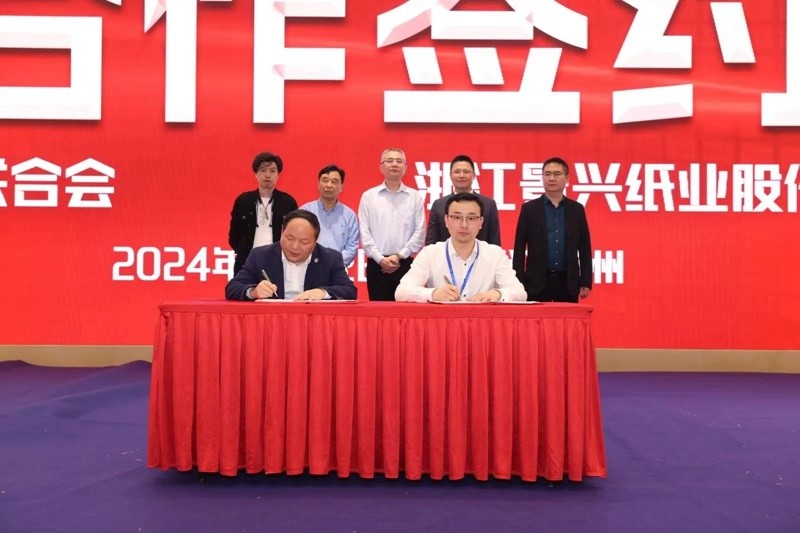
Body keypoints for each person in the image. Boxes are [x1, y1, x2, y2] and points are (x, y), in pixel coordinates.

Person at [396, 193, 526, 302]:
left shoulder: (494, 254)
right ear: (446, 220)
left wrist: (498, 294)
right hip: (443, 321)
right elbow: (401, 292)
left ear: (481, 222)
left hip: (481, 321)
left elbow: (520, 293)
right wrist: (433, 294)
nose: (464, 225)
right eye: (457, 217)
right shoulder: (430, 253)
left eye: (471, 218)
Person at [226, 209, 356, 301]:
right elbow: (232, 287)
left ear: (315, 242)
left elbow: (349, 290)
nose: (295, 246)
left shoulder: (330, 259)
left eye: (304, 242)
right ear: (282, 232)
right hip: (274, 321)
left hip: (312, 323)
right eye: (289, 238)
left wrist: (322, 293)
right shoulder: (261, 255)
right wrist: (253, 292)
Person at [512, 156, 592, 303]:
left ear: (567, 178)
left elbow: (584, 248)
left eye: (557, 174)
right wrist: (518, 281)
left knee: (567, 318)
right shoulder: (529, 209)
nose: (551, 178)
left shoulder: (576, 209)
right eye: (547, 174)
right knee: (536, 319)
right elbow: (519, 248)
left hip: (567, 281)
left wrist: (586, 281)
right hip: (536, 282)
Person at [358, 148, 425, 300]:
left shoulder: (414, 196)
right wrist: (380, 259)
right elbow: (364, 231)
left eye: (399, 161)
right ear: (381, 167)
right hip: (377, 265)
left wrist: (399, 256)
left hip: (405, 264)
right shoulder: (369, 196)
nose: (394, 164)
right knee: (379, 311)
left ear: (405, 168)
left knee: (406, 311)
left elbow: (420, 231)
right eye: (389, 161)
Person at [228, 152, 298, 274]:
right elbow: (234, 236)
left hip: (278, 263)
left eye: (272, 171)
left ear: (278, 175)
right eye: (263, 170)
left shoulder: (288, 202)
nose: (267, 175)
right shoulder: (243, 201)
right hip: (247, 262)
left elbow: (293, 234)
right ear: (256, 174)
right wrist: (243, 251)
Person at [425, 154, 501, 246]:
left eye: (466, 171)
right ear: (450, 175)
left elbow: (494, 242)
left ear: (474, 175)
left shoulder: (488, 205)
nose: (461, 175)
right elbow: (431, 243)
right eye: (457, 172)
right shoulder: (439, 205)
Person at [299, 164, 360, 267]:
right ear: (318, 184)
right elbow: (298, 242)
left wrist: (333, 264)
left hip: (337, 269)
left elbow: (351, 248)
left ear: (341, 187)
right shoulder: (304, 212)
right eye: (325, 180)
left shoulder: (349, 216)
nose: (329, 185)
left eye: (334, 181)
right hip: (308, 267)